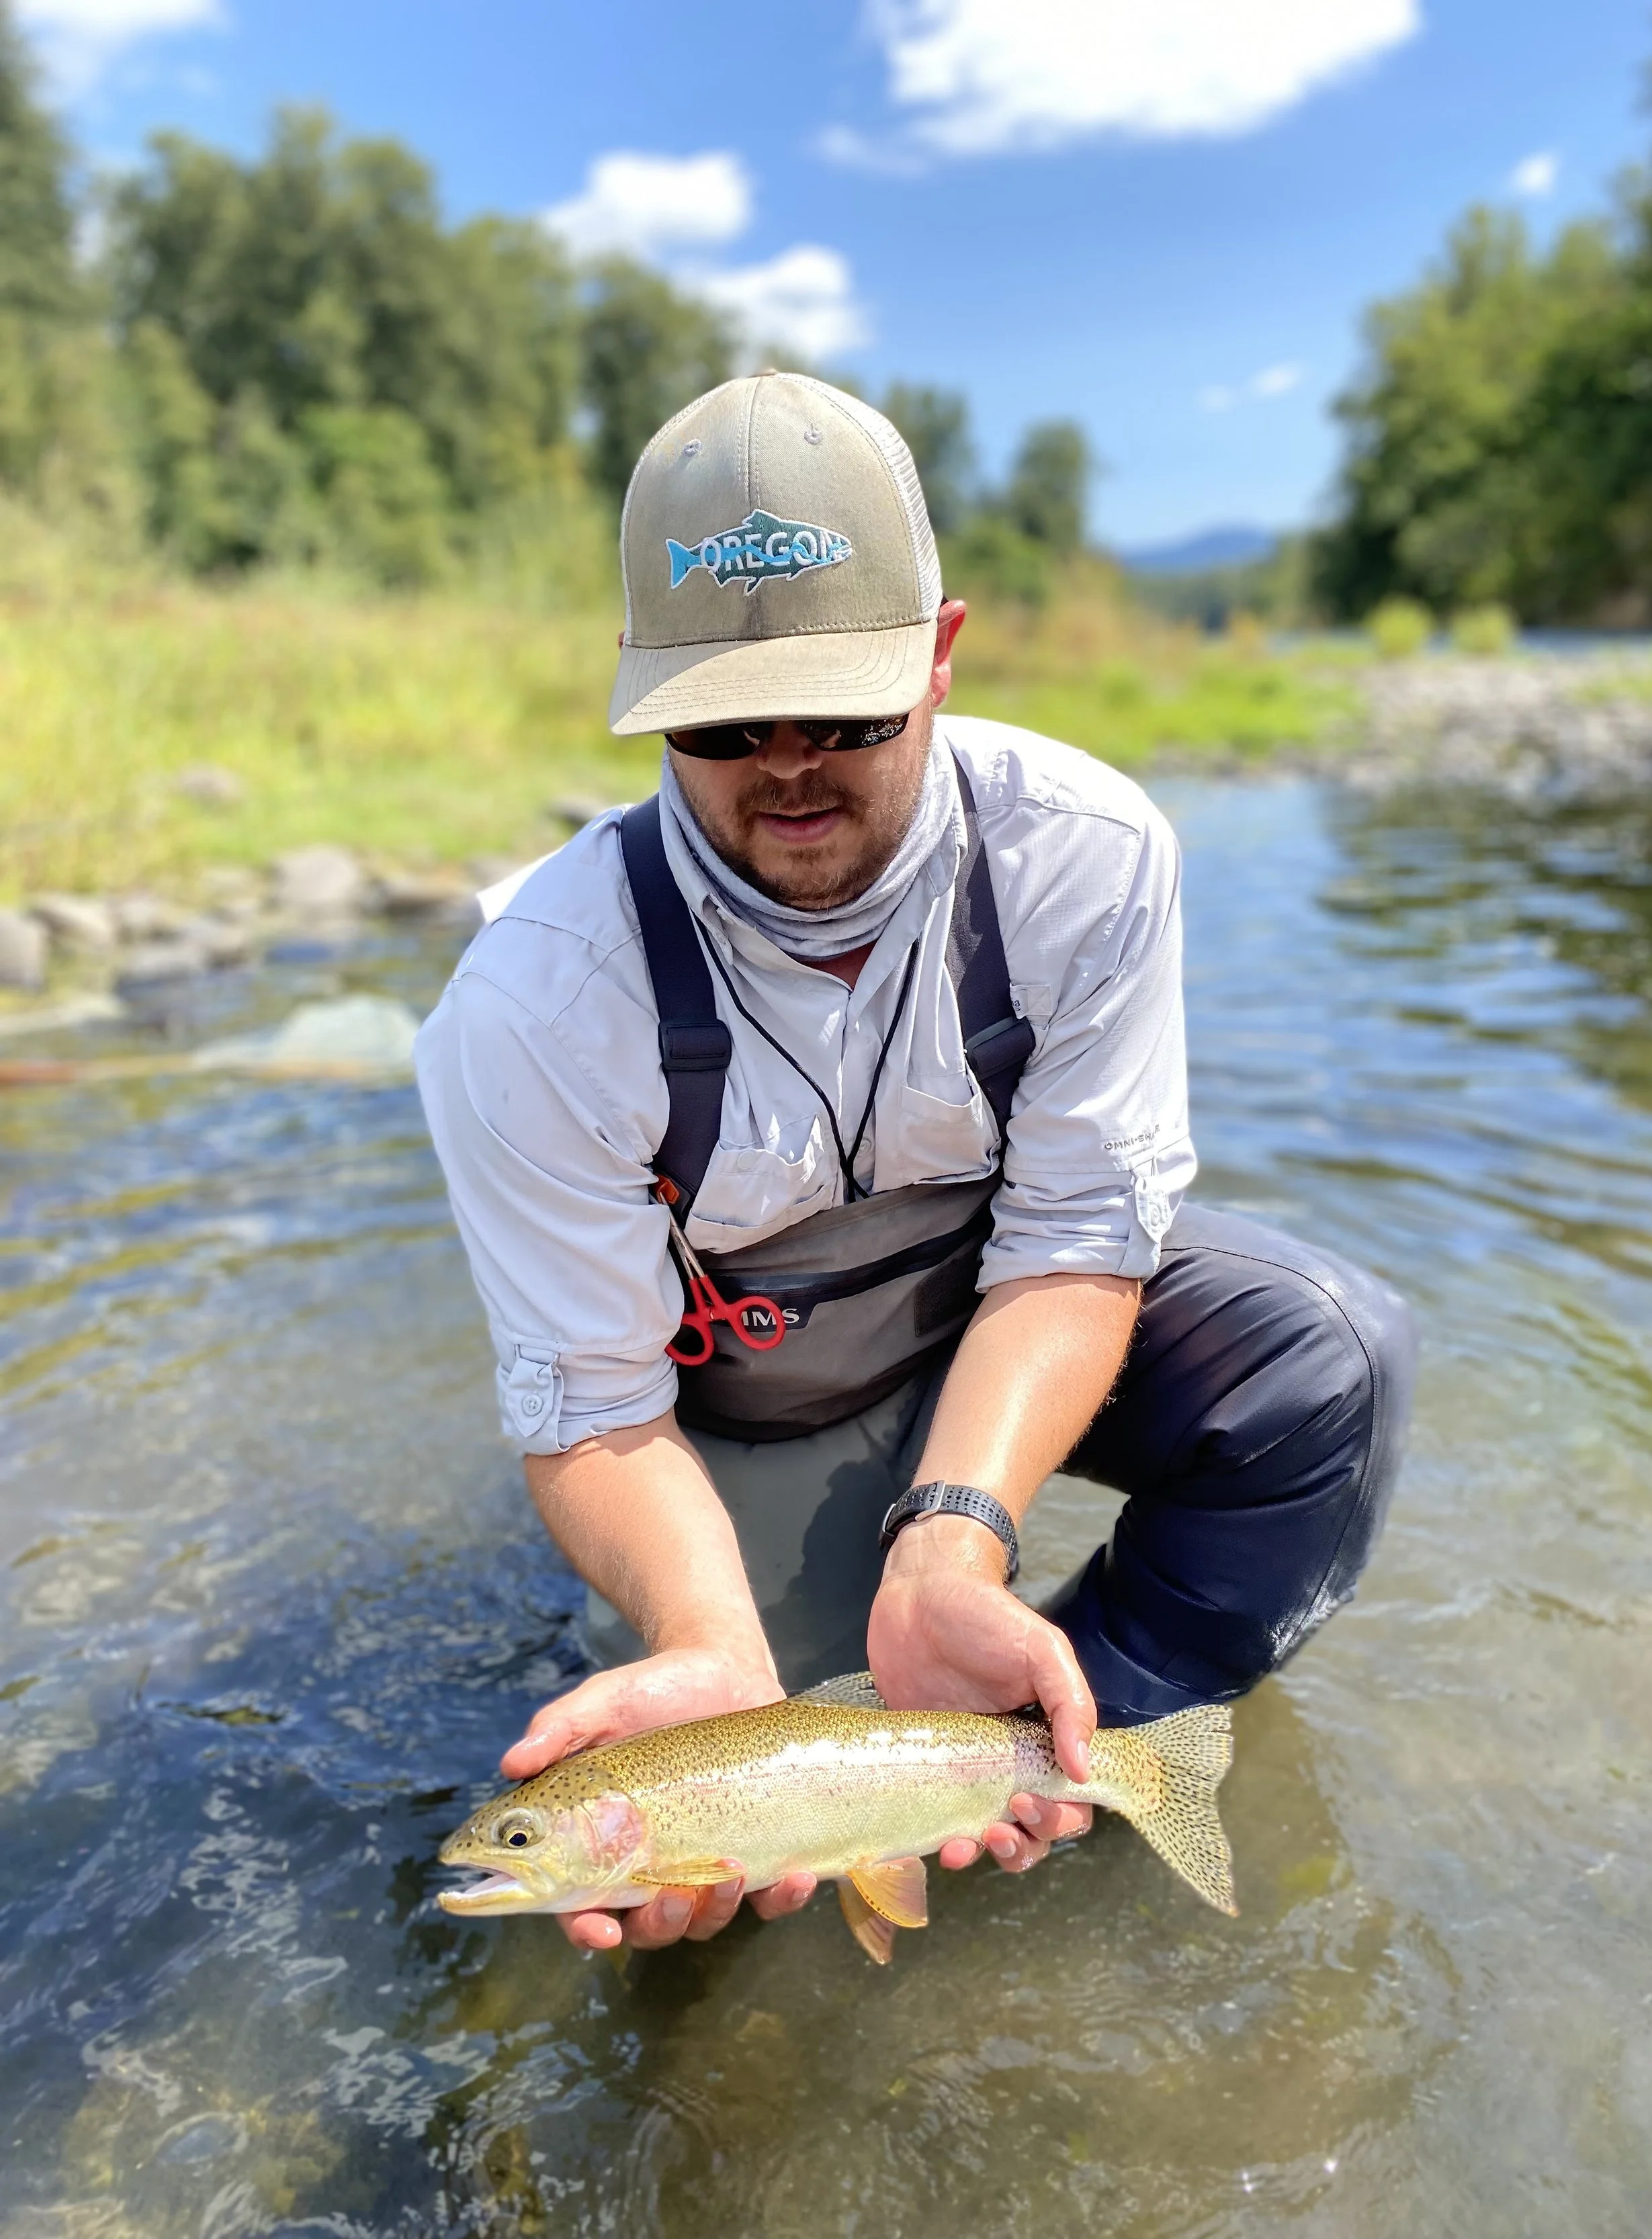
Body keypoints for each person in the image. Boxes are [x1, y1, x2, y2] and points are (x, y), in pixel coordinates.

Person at [417, 371, 1415, 1956]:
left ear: (939, 657)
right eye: (726, 722)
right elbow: (592, 1407)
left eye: (848, 711)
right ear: (642, 690)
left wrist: (953, 1536)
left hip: (992, 1331)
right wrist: (701, 1641)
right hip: (745, 1406)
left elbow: (1079, 1235)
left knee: (1325, 1353)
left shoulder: (1084, 857)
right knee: (734, 1896)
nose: (789, 765)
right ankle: (888, 1745)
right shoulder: (537, 998)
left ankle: (1090, 1766)